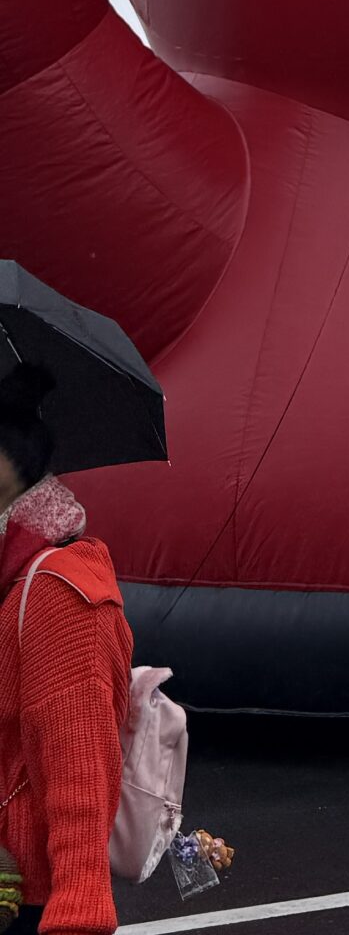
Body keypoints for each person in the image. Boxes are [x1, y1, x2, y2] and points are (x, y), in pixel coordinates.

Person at [0, 364, 132, 935]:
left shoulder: (58, 590)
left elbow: (82, 769)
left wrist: (78, 916)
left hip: (29, 901)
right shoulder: (8, 571)